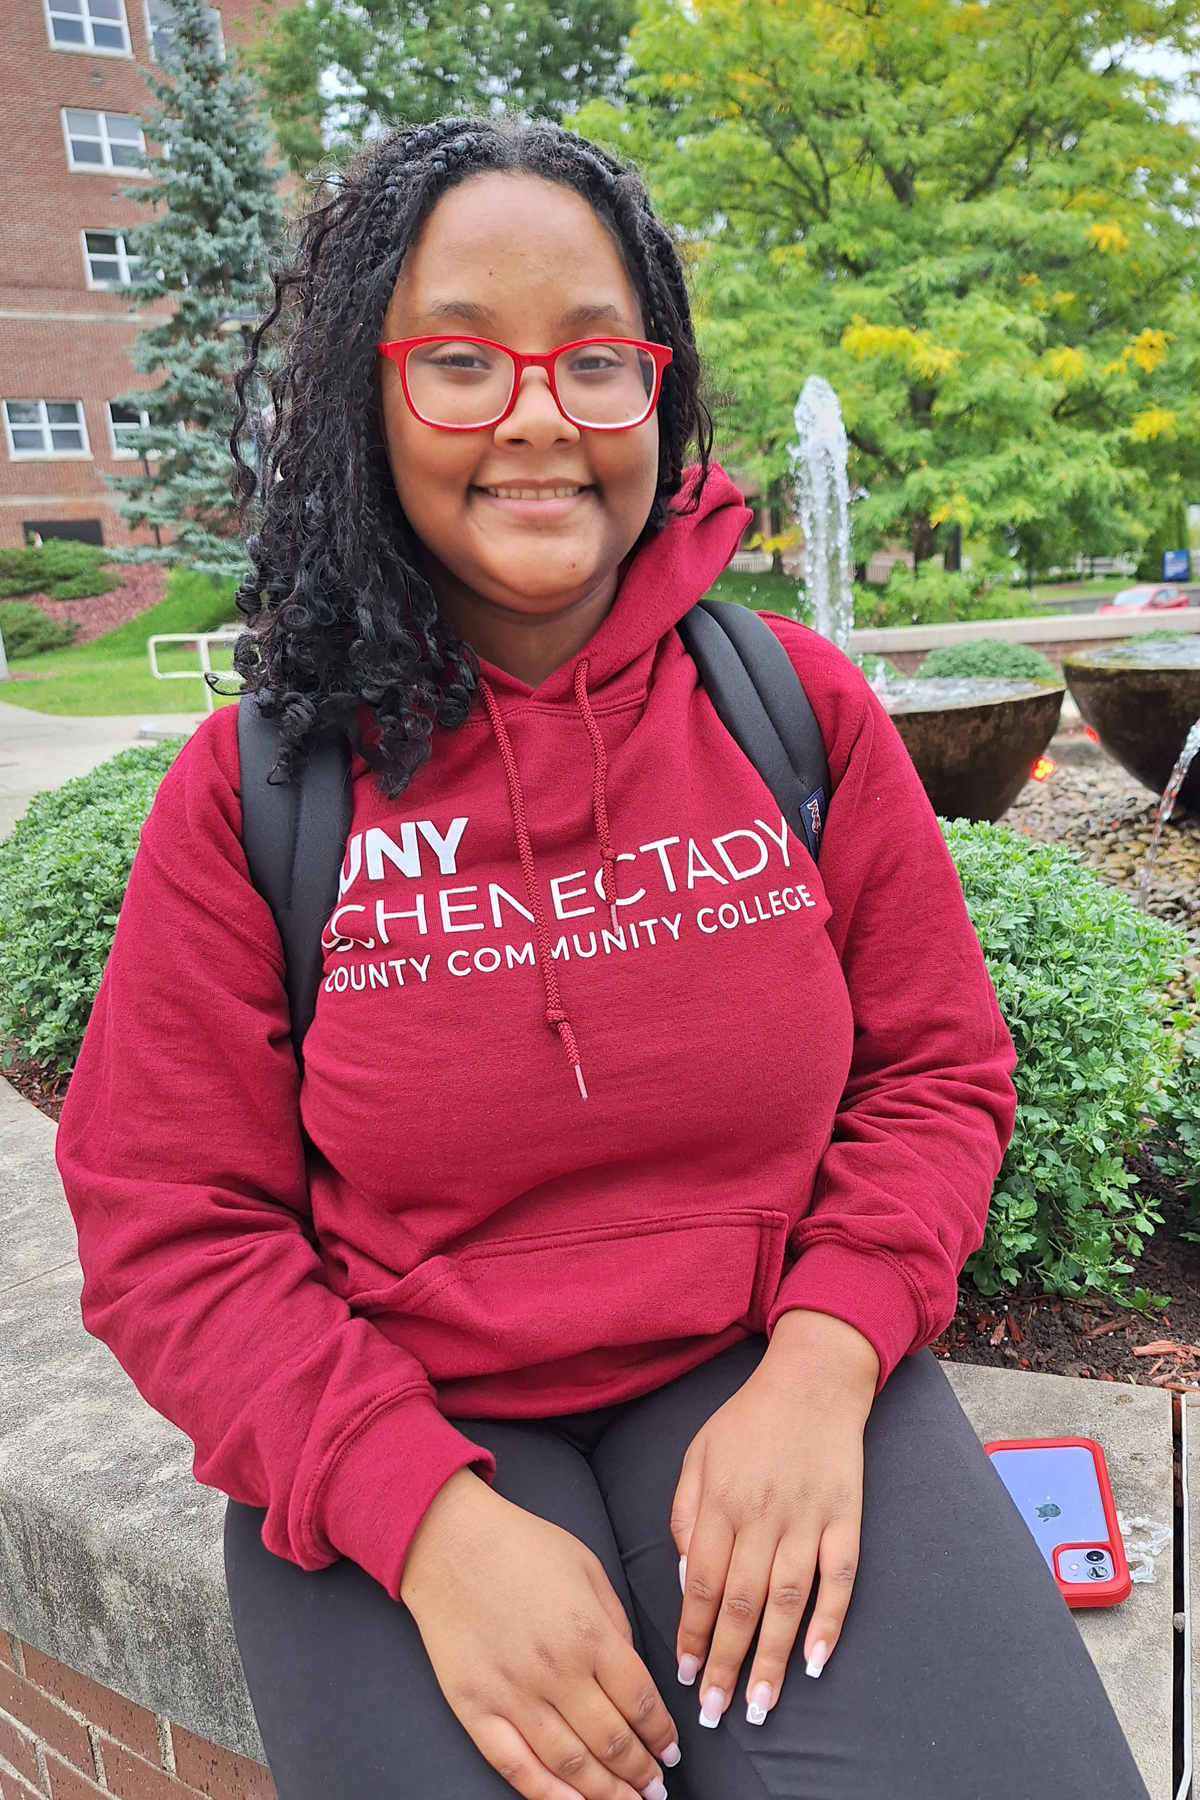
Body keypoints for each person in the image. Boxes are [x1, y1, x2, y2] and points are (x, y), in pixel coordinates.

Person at [56, 119, 1149, 1800]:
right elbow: (169, 1219)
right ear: (372, 397)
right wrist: (419, 1521)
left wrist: (828, 1359)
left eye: (592, 361)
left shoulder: (792, 712)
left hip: (765, 1352)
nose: (540, 419)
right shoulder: (259, 790)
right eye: (462, 365)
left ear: (660, 387)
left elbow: (936, 1073)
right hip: (398, 1405)